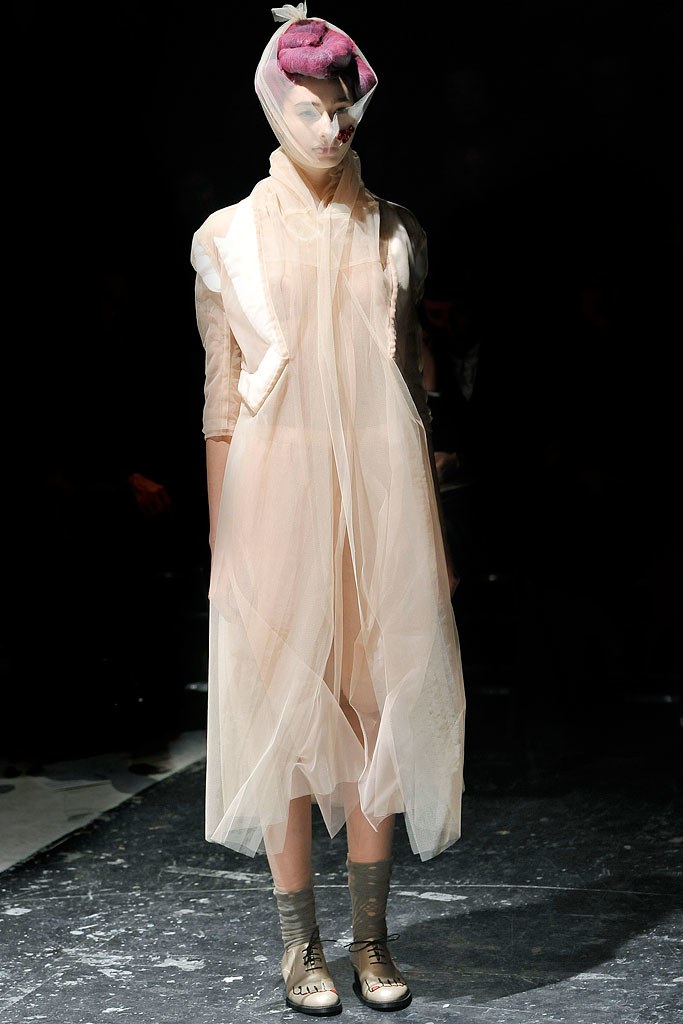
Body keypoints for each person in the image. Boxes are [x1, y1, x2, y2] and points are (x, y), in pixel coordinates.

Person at [190, 3, 466, 1014]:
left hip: (381, 501)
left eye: (341, 108)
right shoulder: (226, 239)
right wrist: (223, 541)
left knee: (376, 712)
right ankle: (297, 945)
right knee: (286, 718)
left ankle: (370, 942)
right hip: (275, 501)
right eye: (308, 109)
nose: (328, 128)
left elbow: (411, 390)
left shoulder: (394, 235)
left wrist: (431, 532)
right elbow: (223, 402)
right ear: (275, 106)